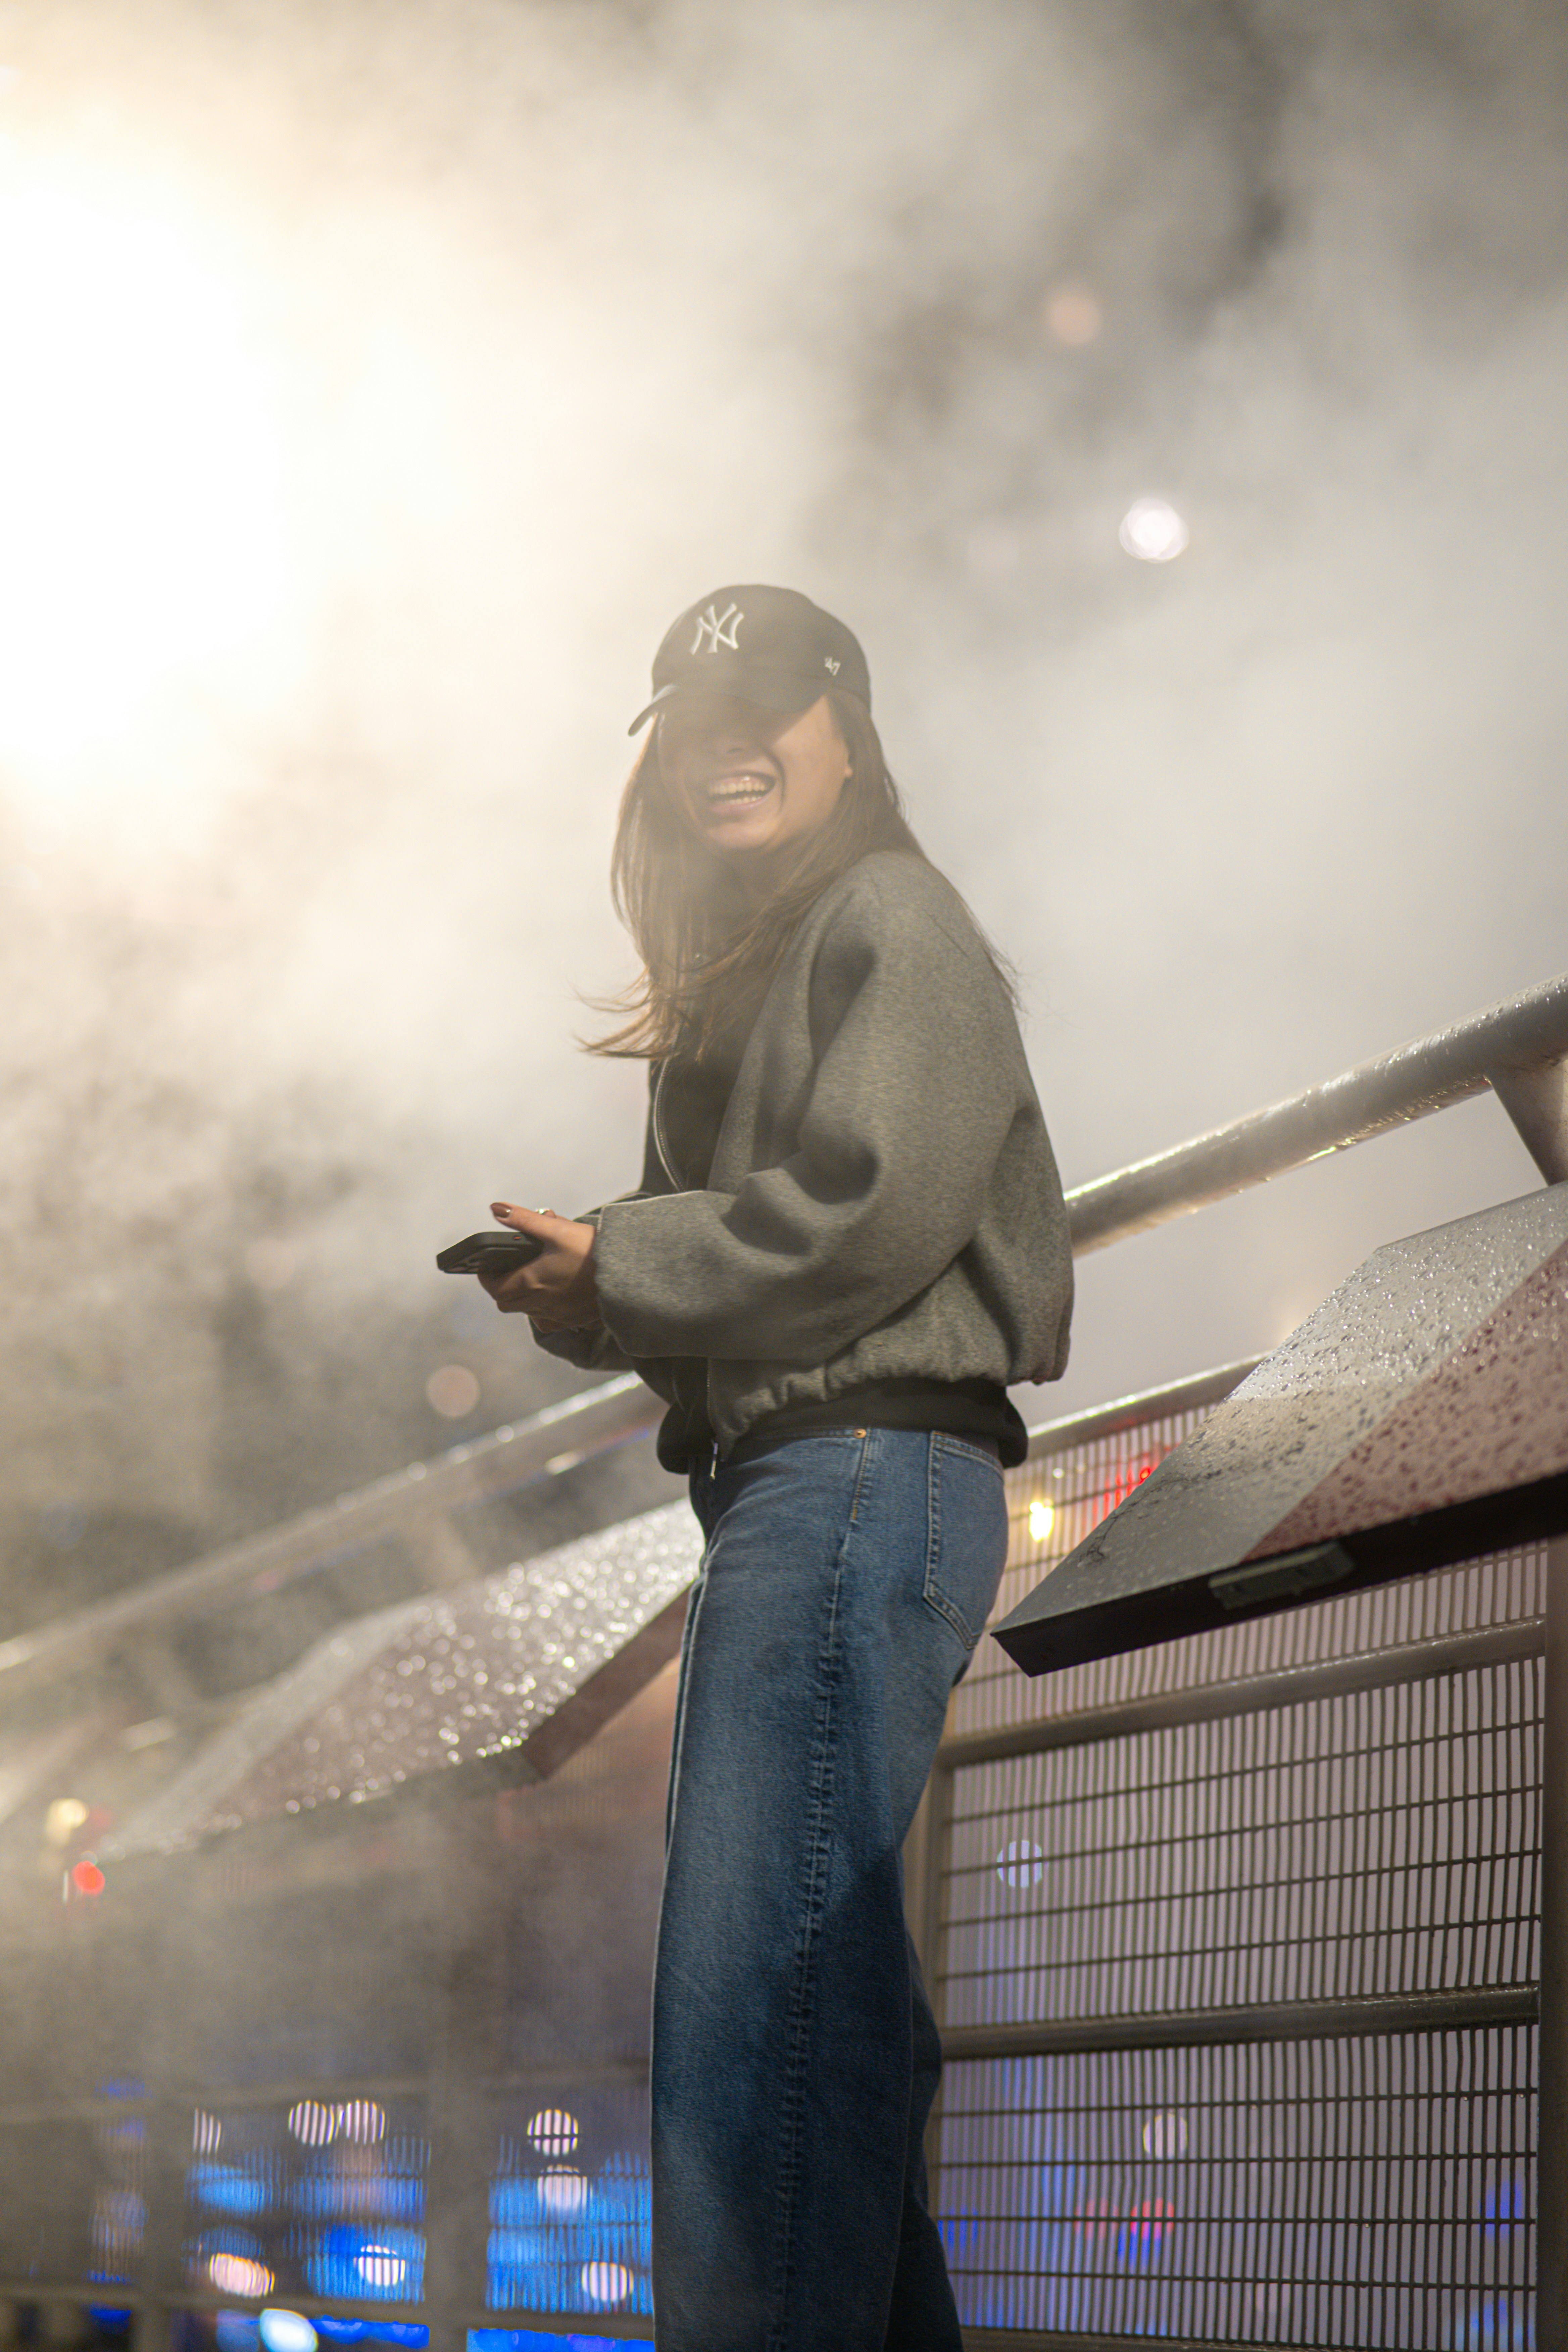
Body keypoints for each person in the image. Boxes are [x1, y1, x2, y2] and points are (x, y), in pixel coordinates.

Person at [479, 585, 1073, 2351]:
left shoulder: (893, 916)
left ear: (848, 723)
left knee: (753, 2029)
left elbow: (872, 1216)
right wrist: (592, 1293)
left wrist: (630, 1265)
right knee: (820, 2026)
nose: (726, 745)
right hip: (816, 1479)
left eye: (769, 705)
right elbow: (791, 1251)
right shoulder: (770, 957)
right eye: (689, 714)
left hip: (859, 1473)